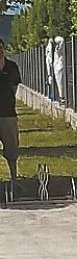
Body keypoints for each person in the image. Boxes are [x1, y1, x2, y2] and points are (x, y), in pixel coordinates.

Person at [0, 39, 22, 185]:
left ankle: (14, 178)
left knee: (12, 149)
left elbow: (14, 88)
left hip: (8, 114)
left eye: (0, 48)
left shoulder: (11, 67)